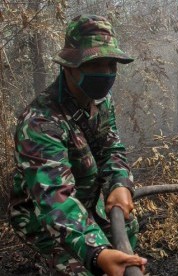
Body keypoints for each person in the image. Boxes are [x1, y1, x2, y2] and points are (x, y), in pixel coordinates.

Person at [8, 15, 147, 275]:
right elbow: (55, 200)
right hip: (42, 215)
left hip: (87, 199)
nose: (105, 74)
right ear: (69, 66)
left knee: (128, 226)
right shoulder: (40, 122)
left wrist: (120, 184)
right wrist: (97, 253)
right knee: (83, 268)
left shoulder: (102, 101)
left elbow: (111, 148)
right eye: (95, 64)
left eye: (111, 65)